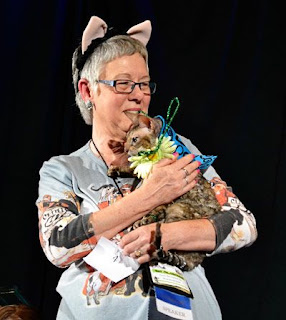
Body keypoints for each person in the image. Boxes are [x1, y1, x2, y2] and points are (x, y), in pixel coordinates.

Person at [36, 16, 257, 320]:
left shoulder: (179, 149)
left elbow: (243, 226)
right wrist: (151, 195)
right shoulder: (64, 170)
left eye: (143, 84)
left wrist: (164, 235)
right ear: (88, 91)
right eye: (123, 83)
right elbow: (57, 246)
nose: (138, 94)